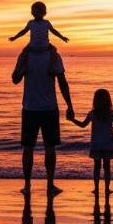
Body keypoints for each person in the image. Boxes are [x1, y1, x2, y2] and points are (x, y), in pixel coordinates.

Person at [12, 41, 74, 195]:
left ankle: (36, 186)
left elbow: (62, 82)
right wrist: (70, 106)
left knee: (39, 148)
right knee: (41, 148)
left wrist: (70, 105)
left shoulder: (47, 56)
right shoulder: (29, 56)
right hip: (39, 108)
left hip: (37, 108)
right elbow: (15, 79)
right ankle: (39, 186)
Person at [69, 88, 113, 194]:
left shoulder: (92, 113)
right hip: (107, 144)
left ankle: (96, 189)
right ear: (108, 100)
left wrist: (72, 119)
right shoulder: (111, 113)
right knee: (107, 167)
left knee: (96, 166)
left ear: (95, 100)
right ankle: (107, 189)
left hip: (96, 144)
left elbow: (83, 125)